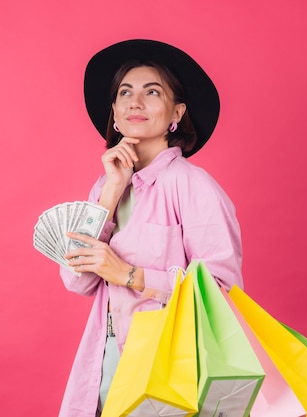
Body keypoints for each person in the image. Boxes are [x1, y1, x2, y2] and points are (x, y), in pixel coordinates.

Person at [57, 39, 243, 417]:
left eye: (151, 91)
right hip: (105, 357)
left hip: (169, 365)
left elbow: (221, 292)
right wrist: (111, 189)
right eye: (125, 92)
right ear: (114, 111)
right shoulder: (104, 186)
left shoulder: (193, 185)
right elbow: (75, 279)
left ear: (177, 112)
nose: (134, 102)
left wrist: (128, 274)